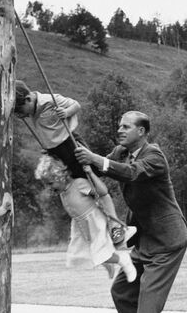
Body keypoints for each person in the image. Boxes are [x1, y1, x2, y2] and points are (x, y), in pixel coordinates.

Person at [75, 110, 187, 313]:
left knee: (148, 303)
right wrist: (68, 137)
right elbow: (96, 166)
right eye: (119, 126)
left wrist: (95, 158)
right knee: (122, 292)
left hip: (167, 242)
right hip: (143, 240)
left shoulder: (154, 155)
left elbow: (130, 173)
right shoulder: (121, 152)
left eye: (126, 126)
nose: (120, 130)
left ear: (142, 132)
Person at [15, 80, 126, 244]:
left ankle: (115, 225)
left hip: (70, 145)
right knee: (69, 189)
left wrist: (66, 112)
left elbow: (76, 105)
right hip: (54, 151)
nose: (20, 115)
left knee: (94, 183)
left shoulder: (49, 100)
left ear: (28, 99)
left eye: (20, 110)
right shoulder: (29, 108)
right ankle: (91, 229)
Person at [34, 154, 137, 281]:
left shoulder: (79, 184)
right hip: (82, 226)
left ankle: (124, 260)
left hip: (95, 222)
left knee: (100, 252)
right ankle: (108, 264)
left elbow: (102, 192)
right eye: (46, 185)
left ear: (60, 177)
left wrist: (91, 174)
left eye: (50, 183)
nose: (49, 188)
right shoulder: (63, 193)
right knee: (83, 254)